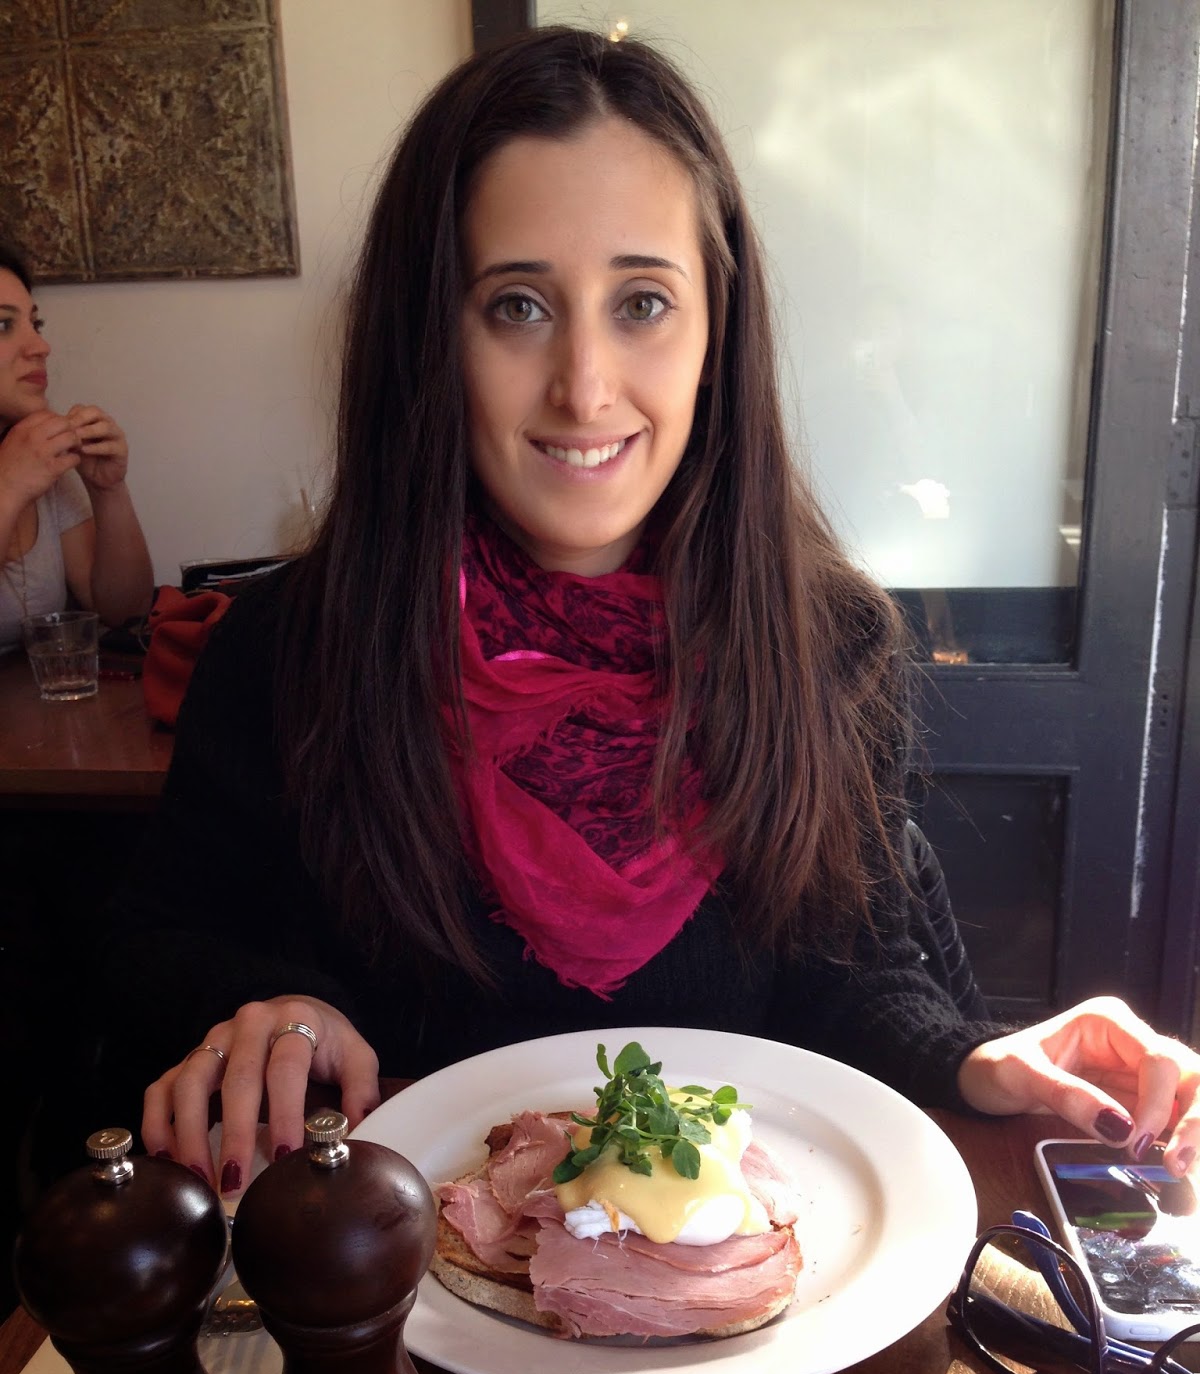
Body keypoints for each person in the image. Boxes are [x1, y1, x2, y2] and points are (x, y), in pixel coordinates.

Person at [94, 27, 1197, 1199]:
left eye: (642, 303)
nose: (585, 386)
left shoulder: (827, 645)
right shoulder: (286, 655)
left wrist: (978, 1058)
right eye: (518, 305)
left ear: (717, 328)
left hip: (732, 1289)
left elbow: (854, 979)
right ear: (431, 338)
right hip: (389, 1290)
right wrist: (266, 1011)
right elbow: (154, 955)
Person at [0, 241, 153, 651]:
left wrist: (109, 490)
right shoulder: (22, 467)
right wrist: (8, 488)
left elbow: (124, 611)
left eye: (36, 323)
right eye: (2, 325)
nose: (41, 346)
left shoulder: (38, 457)